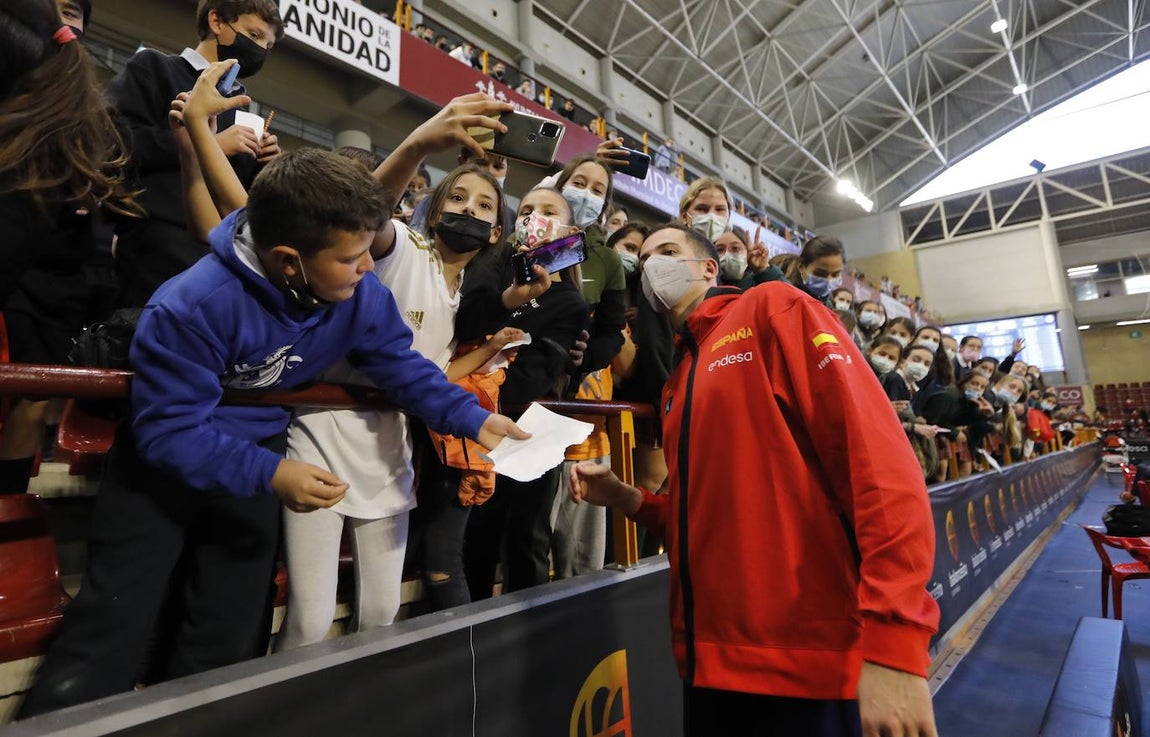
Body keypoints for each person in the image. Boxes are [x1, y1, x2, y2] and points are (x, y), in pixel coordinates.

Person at [16, 148, 528, 717]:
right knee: (114, 620)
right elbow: (167, 433)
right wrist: (274, 472)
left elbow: (401, 368)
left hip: (256, 463)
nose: (367, 268)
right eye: (353, 257)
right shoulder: (192, 305)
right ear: (289, 261)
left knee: (229, 630)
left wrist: (473, 419)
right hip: (163, 471)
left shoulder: (359, 292)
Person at [568, 223, 939, 736]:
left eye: (668, 252)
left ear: (709, 268)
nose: (653, 265)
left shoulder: (772, 308)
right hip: (709, 664)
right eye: (645, 256)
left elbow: (877, 467)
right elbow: (707, 522)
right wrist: (625, 497)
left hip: (803, 663)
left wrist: (896, 644)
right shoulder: (677, 382)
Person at [0, 0, 141, 494]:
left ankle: (11, 496)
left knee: (31, 397)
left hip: (58, 284)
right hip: (31, 280)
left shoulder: (61, 143)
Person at [108, 0, 284, 309]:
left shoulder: (240, 108)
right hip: (154, 241)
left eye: (268, 45)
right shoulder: (155, 68)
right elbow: (116, 145)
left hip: (221, 254)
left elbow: (239, 196)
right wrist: (210, 143)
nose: (261, 50)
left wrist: (265, 166)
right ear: (217, 21)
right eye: (254, 35)